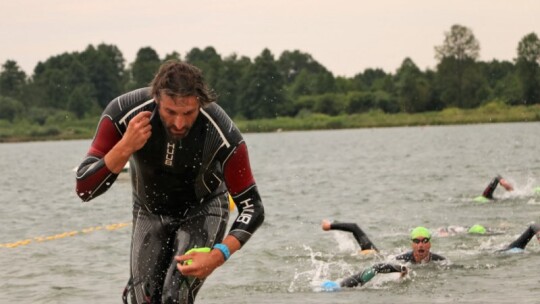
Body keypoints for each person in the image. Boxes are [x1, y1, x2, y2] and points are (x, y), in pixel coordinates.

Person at [75, 61, 265, 304]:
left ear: (201, 102)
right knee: (143, 299)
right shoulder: (124, 112)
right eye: (170, 112)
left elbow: (253, 207)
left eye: (188, 113)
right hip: (150, 210)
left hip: (203, 209)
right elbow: (84, 189)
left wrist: (219, 254)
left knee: (175, 296)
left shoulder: (222, 132)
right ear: (156, 99)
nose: (179, 123)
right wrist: (124, 147)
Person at [322, 220, 445, 264]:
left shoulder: (438, 260)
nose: (421, 245)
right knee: (356, 231)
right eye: (417, 241)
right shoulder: (403, 259)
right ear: (412, 244)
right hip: (372, 255)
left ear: (430, 244)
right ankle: (328, 225)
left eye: (424, 241)